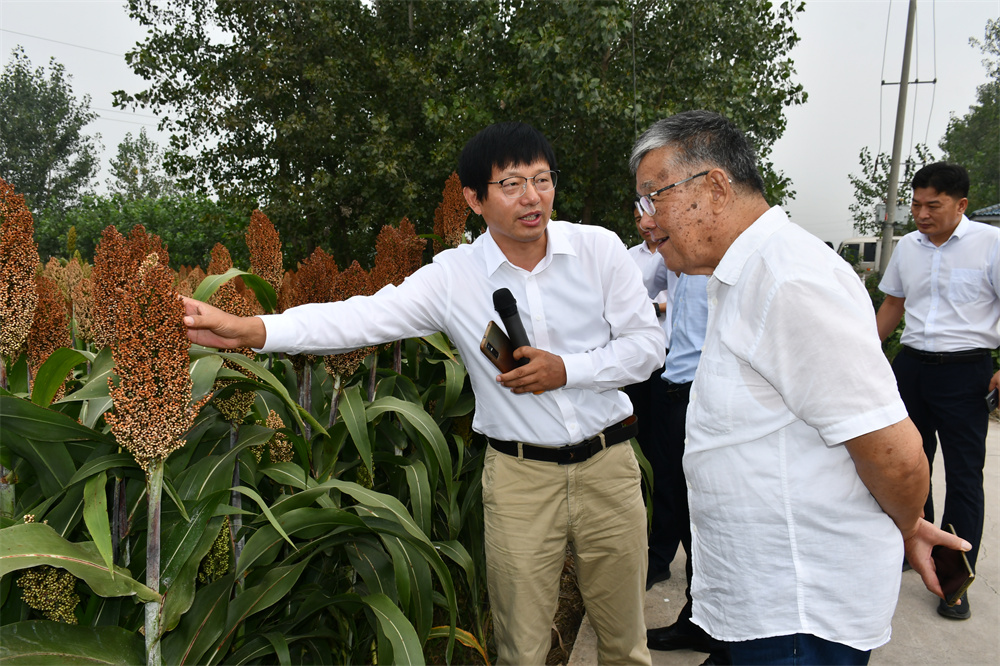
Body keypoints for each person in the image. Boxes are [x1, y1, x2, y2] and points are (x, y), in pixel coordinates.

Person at [183, 122, 664, 665]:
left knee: (625, 644)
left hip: (609, 466)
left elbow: (648, 348)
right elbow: (364, 316)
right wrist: (252, 329)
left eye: (542, 179)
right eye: (511, 184)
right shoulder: (454, 276)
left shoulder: (599, 249)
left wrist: (566, 370)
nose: (532, 197)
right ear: (473, 199)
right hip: (519, 479)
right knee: (521, 650)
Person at [628, 110, 969, 665]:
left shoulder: (788, 280)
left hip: (797, 617)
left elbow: (899, 457)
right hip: (767, 604)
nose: (645, 219)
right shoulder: (743, 274)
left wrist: (907, 523)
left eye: (653, 197)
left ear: (714, 186)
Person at [875, 162, 1000, 620]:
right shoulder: (908, 247)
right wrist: (866, 354)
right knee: (908, 463)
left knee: (965, 476)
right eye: (916, 204)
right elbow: (893, 304)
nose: (921, 214)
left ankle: (954, 578)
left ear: (961, 205)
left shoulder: (992, 244)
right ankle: (913, 549)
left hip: (966, 372)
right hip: (912, 368)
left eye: (933, 205)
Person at [624, 205, 679, 589]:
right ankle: (652, 549)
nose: (646, 223)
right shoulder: (636, 258)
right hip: (650, 370)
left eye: (653, 212)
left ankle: (663, 552)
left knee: (672, 470)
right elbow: (632, 301)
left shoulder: (700, 253)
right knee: (648, 458)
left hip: (684, 370)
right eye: (640, 215)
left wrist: (659, 306)